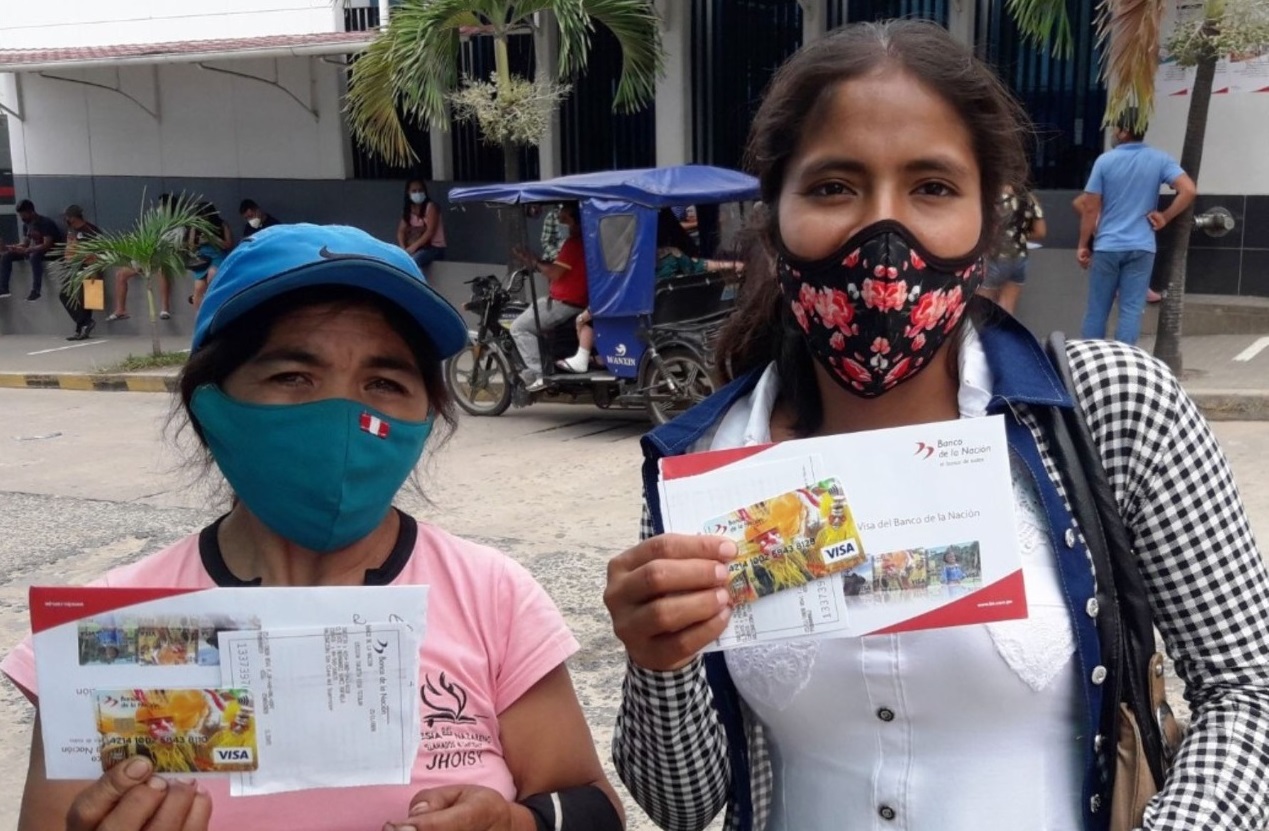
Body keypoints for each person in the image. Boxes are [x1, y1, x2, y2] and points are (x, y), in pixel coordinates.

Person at [603, 20, 1269, 831]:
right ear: (773, 215)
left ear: (988, 217)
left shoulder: (1110, 409)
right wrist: (660, 659)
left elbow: (1248, 689)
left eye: (932, 187)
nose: (883, 234)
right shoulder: (710, 462)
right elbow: (680, 803)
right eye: (832, 187)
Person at [1, 224, 625, 831]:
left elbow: (590, 805)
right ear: (209, 404)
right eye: (292, 377)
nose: (344, 415)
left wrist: (516, 824)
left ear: (426, 415)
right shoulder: (113, 630)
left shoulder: (491, 596)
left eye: (385, 383)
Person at [556, 209, 743, 373]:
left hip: (641, 318)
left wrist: (586, 314)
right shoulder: (672, 254)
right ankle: (601, 357)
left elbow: (614, 294)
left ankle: (582, 359)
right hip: (670, 314)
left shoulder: (632, 265)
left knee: (589, 321)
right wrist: (733, 265)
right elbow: (701, 266)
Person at [1076, 116, 1196, 344]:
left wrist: (1083, 244)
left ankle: (1090, 355)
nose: (1113, 133)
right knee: (1131, 310)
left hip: (1108, 246)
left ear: (1124, 132)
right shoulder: (1160, 159)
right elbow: (1188, 190)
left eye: (1115, 129)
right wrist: (1165, 216)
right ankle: (1125, 359)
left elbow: (1090, 207)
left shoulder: (1105, 161)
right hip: (1142, 247)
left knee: (1097, 309)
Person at [511, 202, 588, 391]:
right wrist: (536, 261)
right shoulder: (581, 242)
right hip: (563, 300)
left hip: (566, 303)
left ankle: (539, 375)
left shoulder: (574, 244)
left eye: (564, 220)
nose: (561, 224)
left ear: (576, 221)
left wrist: (534, 262)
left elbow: (554, 273)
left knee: (519, 327)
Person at [109, 194, 177, 322]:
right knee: (120, 274)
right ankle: (120, 310)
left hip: (163, 258)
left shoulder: (177, 224)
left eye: (163, 206)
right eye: (160, 206)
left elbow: (174, 246)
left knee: (162, 270)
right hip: (147, 258)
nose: (160, 209)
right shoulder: (153, 223)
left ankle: (165, 308)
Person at [979, 187, 1045, 314]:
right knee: (1007, 311)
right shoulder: (1029, 198)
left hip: (995, 256)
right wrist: (1016, 234)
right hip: (1019, 259)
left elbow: (991, 231)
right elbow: (1040, 232)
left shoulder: (991, 195)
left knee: (982, 311)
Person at [1, 199, 64, 301]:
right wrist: (9, 247)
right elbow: (25, 243)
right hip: (36, 250)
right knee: (7, 256)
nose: (22, 217)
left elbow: (47, 245)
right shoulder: (26, 225)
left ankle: (36, 290)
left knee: (34, 256)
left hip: (51, 251)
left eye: (23, 215)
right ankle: (4, 288)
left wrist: (28, 250)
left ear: (31, 212)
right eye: (20, 215)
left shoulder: (45, 223)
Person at [58, 205, 103, 340]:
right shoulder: (71, 231)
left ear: (72, 217)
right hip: (75, 267)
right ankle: (85, 323)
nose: (65, 219)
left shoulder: (90, 230)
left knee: (87, 300)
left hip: (91, 267)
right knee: (65, 294)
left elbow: (99, 251)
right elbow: (69, 251)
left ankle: (81, 329)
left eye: (67, 217)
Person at [188, 201, 234, 312]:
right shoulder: (195, 227)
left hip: (218, 255)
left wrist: (213, 239)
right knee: (198, 288)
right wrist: (199, 242)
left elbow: (229, 244)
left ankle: (214, 309)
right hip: (202, 258)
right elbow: (191, 247)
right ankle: (199, 316)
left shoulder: (222, 225)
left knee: (212, 276)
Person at [396, 179, 447, 274]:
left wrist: (412, 248)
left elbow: (430, 231)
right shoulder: (408, 209)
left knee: (413, 262)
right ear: (408, 193)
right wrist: (403, 249)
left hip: (434, 248)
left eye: (420, 190)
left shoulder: (431, 207)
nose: (418, 193)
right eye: (414, 191)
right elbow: (401, 231)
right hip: (414, 248)